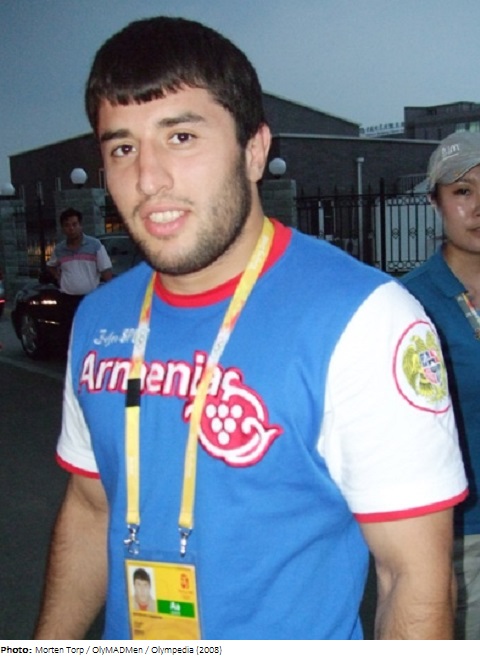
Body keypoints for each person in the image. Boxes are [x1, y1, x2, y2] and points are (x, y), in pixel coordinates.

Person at [34, 17, 467, 641]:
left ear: (255, 150)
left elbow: (413, 577)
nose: (149, 178)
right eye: (122, 148)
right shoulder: (100, 319)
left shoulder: (365, 320)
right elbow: (91, 506)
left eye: (181, 136)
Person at [402, 131, 480, 640]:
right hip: (461, 538)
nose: (479, 207)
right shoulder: (408, 304)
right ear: (435, 203)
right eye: (463, 191)